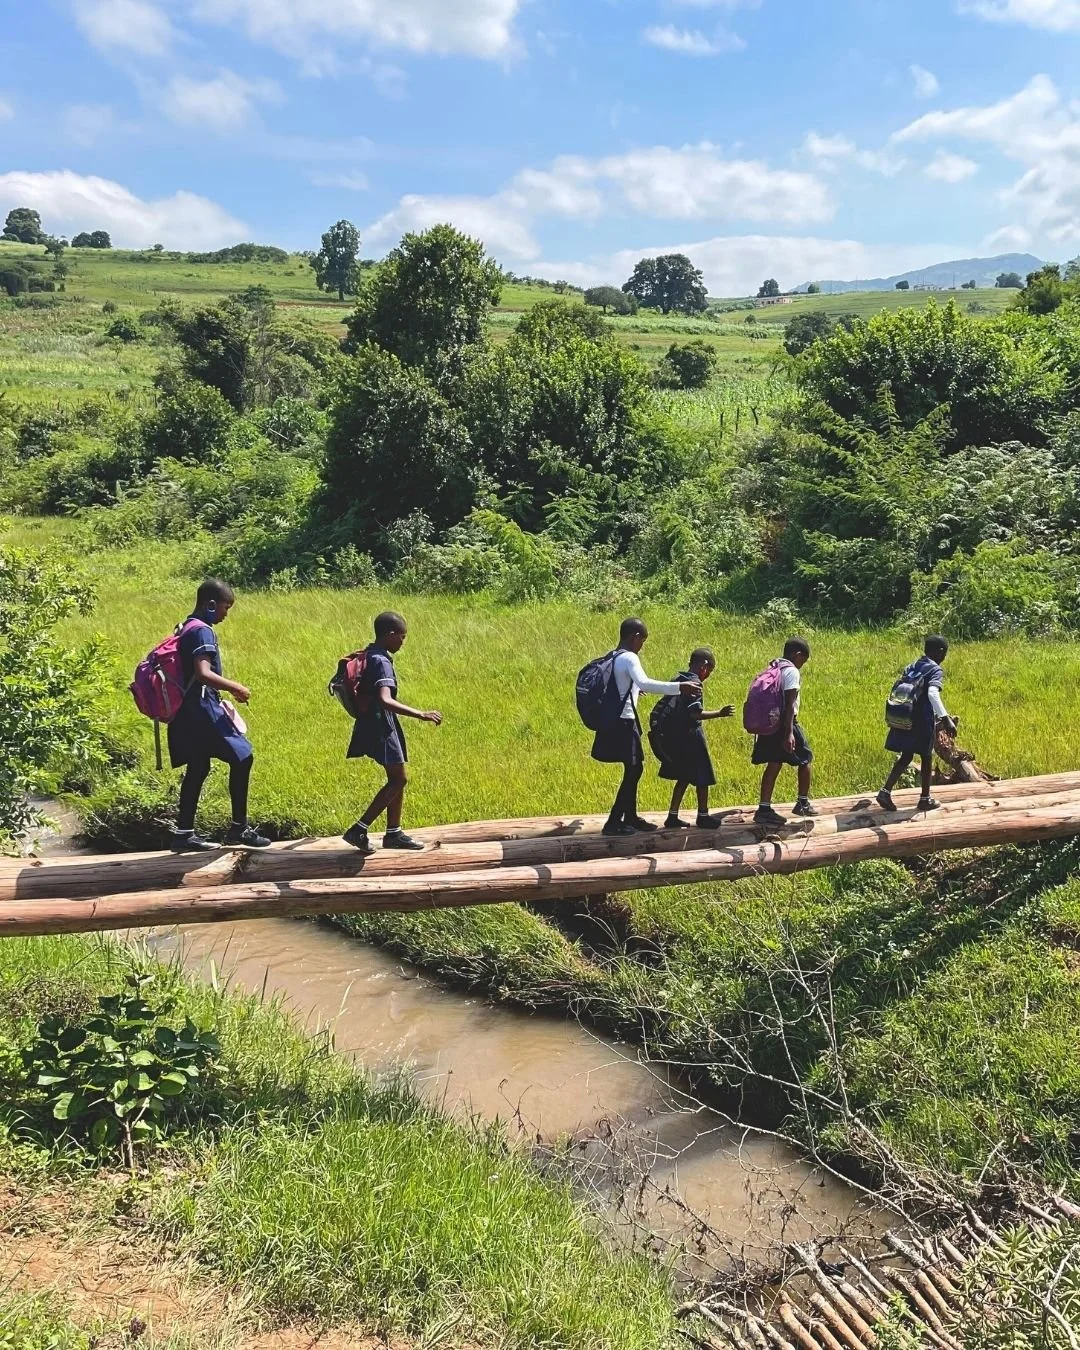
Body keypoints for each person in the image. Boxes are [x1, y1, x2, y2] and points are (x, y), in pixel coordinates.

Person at [169, 578, 270, 852]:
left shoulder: (185, 626)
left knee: (198, 767)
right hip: (202, 708)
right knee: (243, 756)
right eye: (226, 607)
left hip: (185, 712)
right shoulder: (202, 631)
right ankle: (239, 829)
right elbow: (203, 673)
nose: (226, 613)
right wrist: (236, 687)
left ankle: (183, 835)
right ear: (211, 605)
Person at [343, 611, 443, 855]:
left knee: (397, 777)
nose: (402, 642)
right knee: (398, 779)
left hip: (373, 722)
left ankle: (393, 833)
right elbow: (385, 699)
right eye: (401, 636)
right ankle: (359, 829)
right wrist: (421, 714)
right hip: (381, 725)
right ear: (390, 634)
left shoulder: (370, 653)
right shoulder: (382, 662)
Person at [593, 618, 701, 838]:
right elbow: (645, 683)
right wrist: (680, 687)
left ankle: (630, 817)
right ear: (635, 637)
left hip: (618, 720)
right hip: (625, 722)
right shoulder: (630, 657)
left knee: (634, 768)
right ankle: (614, 822)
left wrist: (634, 689)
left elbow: (626, 683)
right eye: (642, 640)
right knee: (634, 769)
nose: (642, 645)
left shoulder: (614, 655)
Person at [652, 647, 735, 830]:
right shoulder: (694, 683)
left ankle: (672, 816)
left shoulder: (679, 679)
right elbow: (694, 714)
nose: (708, 675)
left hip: (676, 736)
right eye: (710, 670)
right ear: (704, 666)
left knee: (683, 776)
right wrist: (719, 713)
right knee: (703, 776)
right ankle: (703, 816)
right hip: (691, 736)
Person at [877, 635, 957, 814]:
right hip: (922, 719)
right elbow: (932, 694)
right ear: (940, 652)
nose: (944, 657)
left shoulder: (913, 665)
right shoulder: (935, 669)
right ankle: (925, 799)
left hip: (907, 715)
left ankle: (885, 792)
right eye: (945, 653)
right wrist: (945, 718)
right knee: (927, 756)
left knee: (906, 755)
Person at [752, 637, 815, 828]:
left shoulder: (774, 666)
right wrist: (789, 733)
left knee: (774, 763)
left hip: (771, 723)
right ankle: (802, 802)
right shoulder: (791, 671)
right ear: (798, 655)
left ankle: (763, 809)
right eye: (803, 660)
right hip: (786, 723)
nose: (802, 664)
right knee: (805, 759)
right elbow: (789, 704)